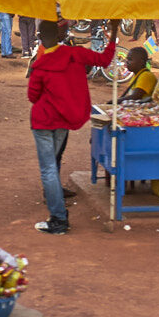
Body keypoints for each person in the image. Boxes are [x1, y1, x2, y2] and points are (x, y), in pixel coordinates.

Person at [28, 18, 119, 234]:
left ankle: (58, 219)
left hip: (42, 121)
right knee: (53, 165)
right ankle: (58, 211)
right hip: (63, 121)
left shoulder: (39, 64)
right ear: (60, 35)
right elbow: (105, 60)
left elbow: (32, 96)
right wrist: (114, 34)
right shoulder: (76, 54)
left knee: (48, 169)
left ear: (41, 37)